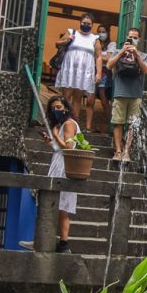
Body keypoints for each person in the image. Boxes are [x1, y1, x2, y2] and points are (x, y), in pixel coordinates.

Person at [105, 27, 147, 163]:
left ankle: (126, 151)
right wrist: (122, 52)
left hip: (135, 94)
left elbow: (146, 70)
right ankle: (118, 151)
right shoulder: (119, 52)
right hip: (120, 92)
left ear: (139, 39)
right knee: (118, 123)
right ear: (126, 37)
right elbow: (108, 65)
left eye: (135, 37)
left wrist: (136, 55)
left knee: (131, 125)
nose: (133, 39)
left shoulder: (143, 55)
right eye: (130, 37)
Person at [52, 13, 102, 132]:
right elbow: (57, 43)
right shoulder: (71, 32)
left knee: (77, 98)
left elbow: (98, 57)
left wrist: (98, 73)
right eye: (84, 23)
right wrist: (67, 40)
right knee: (66, 96)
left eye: (89, 24)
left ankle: (73, 123)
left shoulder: (94, 39)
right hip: (70, 69)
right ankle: (60, 121)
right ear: (80, 22)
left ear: (92, 25)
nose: (86, 25)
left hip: (84, 72)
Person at [44, 95, 80, 253]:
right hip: (59, 164)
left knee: (62, 206)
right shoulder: (63, 124)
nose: (55, 110)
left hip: (64, 167)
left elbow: (69, 148)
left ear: (66, 107)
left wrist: (56, 135)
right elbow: (59, 149)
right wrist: (50, 142)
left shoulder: (68, 124)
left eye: (58, 107)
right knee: (57, 206)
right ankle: (51, 239)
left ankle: (64, 243)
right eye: (53, 108)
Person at [93, 31, 115, 134]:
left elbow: (108, 58)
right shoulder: (94, 42)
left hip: (105, 73)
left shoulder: (111, 44)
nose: (101, 33)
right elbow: (102, 58)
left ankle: (110, 122)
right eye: (99, 31)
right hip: (92, 71)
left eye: (103, 31)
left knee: (103, 98)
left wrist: (97, 56)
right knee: (90, 98)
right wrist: (101, 58)